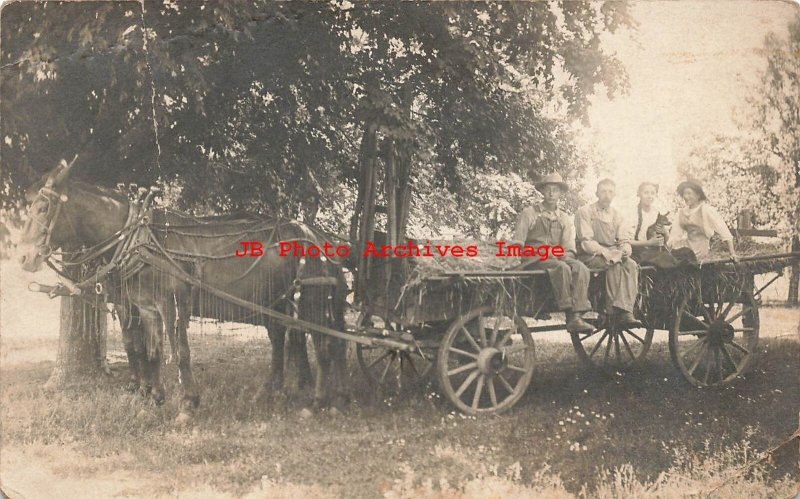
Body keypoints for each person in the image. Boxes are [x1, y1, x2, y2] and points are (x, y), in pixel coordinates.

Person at [512, 172, 594, 334]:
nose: (551, 193)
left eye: (555, 190)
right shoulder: (530, 213)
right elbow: (518, 241)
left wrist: (567, 256)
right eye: (548, 189)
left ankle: (577, 313)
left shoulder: (564, 217)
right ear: (542, 192)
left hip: (556, 257)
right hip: (533, 257)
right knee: (561, 267)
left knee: (580, 267)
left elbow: (568, 246)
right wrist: (514, 263)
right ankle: (568, 311)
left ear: (560, 193)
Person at [575, 179, 640, 327]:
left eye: (610, 192)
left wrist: (624, 249)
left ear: (615, 194)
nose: (607, 195)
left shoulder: (617, 215)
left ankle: (626, 309)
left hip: (612, 252)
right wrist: (606, 253)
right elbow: (586, 241)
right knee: (613, 264)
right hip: (590, 254)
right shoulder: (585, 212)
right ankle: (611, 309)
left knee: (631, 264)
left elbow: (623, 239)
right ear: (596, 193)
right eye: (603, 191)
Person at [668, 179, 738, 261]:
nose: (685, 197)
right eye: (684, 193)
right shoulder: (681, 212)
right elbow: (675, 236)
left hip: (700, 251)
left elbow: (724, 232)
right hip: (685, 250)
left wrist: (732, 253)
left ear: (698, 195)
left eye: (689, 193)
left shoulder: (706, 210)